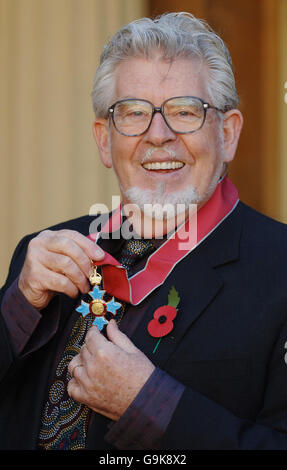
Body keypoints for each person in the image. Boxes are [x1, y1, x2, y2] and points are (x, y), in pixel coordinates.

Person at [1, 11, 287, 451]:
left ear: (228, 135)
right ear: (104, 140)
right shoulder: (39, 256)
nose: (158, 135)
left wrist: (149, 405)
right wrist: (16, 308)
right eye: (133, 112)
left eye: (186, 111)